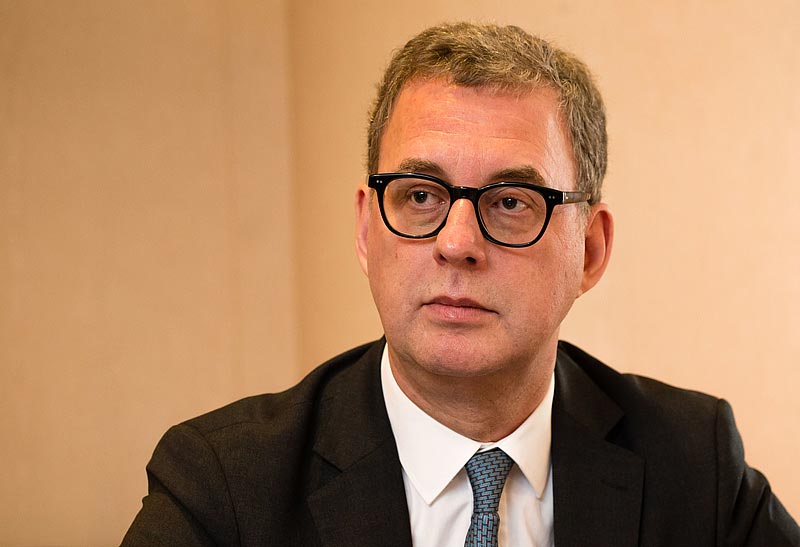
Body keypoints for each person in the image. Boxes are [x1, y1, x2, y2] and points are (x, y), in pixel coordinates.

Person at [122, 22, 799, 546]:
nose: (456, 243)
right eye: (420, 195)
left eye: (511, 202)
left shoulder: (696, 463)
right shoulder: (223, 484)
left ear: (589, 251)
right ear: (366, 229)